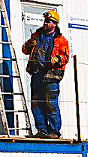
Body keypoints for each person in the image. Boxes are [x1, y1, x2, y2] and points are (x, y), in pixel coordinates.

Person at [22, 9, 70, 139]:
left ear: (55, 24)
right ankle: (42, 130)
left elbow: (65, 57)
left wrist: (57, 59)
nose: (46, 23)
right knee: (36, 103)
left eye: (49, 21)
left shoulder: (61, 40)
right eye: (45, 21)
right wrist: (29, 45)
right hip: (37, 73)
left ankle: (54, 132)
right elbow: (25, 50)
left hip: (51, 75)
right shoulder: (37, 35)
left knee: (51, 104)